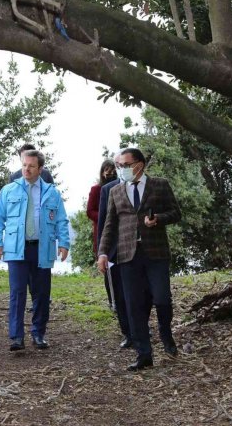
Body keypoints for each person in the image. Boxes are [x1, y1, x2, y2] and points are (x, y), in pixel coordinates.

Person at [97, 148, 181, 371]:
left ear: (139, 165)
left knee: (162, 299)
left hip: (156, 253)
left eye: (125, 165)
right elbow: (109, 225)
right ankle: (144, 354)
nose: (121, 170)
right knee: (133, 305)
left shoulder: (160, 184)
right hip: (127, 255)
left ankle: (165, 332)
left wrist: (159, 219)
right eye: (119, 166)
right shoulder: (115, 191)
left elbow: (176, 213)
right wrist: (103, 253)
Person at [0, 150, 69, 351]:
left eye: (31, 166)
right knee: (17, 292)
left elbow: (61, 219)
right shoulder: (9, 190)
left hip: (42, 249)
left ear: (40, 169)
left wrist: (64, 243)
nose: (26, 169)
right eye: (24, 165)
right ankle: (16, 337)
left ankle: (38, 333)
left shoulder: (52, 192)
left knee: (41, 293)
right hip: (16, 249)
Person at [97, 152, 135, 349]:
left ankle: (140, 327)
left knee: (140, 292)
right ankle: (127, 332)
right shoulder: (108, 190)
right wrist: (101, 252)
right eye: (120, 165)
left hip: (137, 250)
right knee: (119, 294)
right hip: (115, 251)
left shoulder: (147, 187)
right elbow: (104, 223)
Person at [86, 159, 117, 307]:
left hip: (118, 232)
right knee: (107, 267)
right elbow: (90, 211)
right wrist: (104, 217)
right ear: (102, 171)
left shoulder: (119, 186)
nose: (109, 173)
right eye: (106, 170)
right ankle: (112, 300)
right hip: (102, 230)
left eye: (112, 170)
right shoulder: (96, 189)